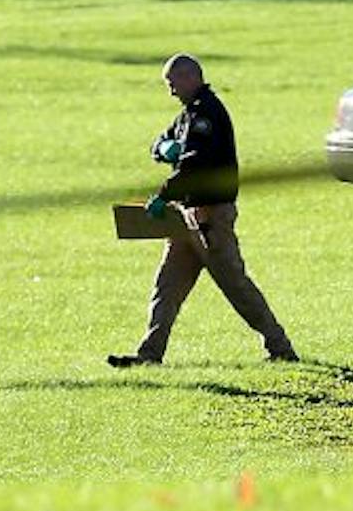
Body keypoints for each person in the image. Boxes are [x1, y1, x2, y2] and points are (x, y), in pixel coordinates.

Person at [109, 54, 297, 367]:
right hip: (187, 219)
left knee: (236, 286)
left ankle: (280, 347)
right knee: (166, 288)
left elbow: (194, 167)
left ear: (190, 78)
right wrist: (161, 149)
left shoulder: (207, 114)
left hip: (211, 218)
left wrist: (162, 195)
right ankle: (149, 355)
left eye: (173, 83)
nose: (171, 91)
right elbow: (162, 140)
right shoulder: (188, 115)